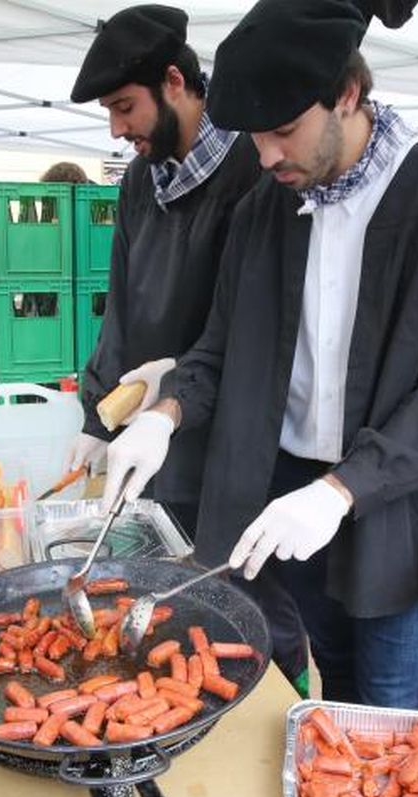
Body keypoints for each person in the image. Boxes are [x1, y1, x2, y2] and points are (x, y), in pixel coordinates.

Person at [102, 0, 418, 708]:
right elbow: (220, 349)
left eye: (283, 131)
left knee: (387, 706)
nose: (264, 157)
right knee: (331, 672)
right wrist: (164, 416)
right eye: (254, 136)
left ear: (346, 94)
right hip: (285, 489)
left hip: (395, 509)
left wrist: (340, 490)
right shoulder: (264, 208)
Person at [65, 5, 262, 539]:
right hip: (146, 439)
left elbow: (254, 326)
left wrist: (177, 385)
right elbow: (122, 308)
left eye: (125, 107)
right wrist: (96, 415)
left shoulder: (256, 166)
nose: (116, 128)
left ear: (174, 81)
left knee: (231, 602)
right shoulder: (138, 180)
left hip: (224, 442)